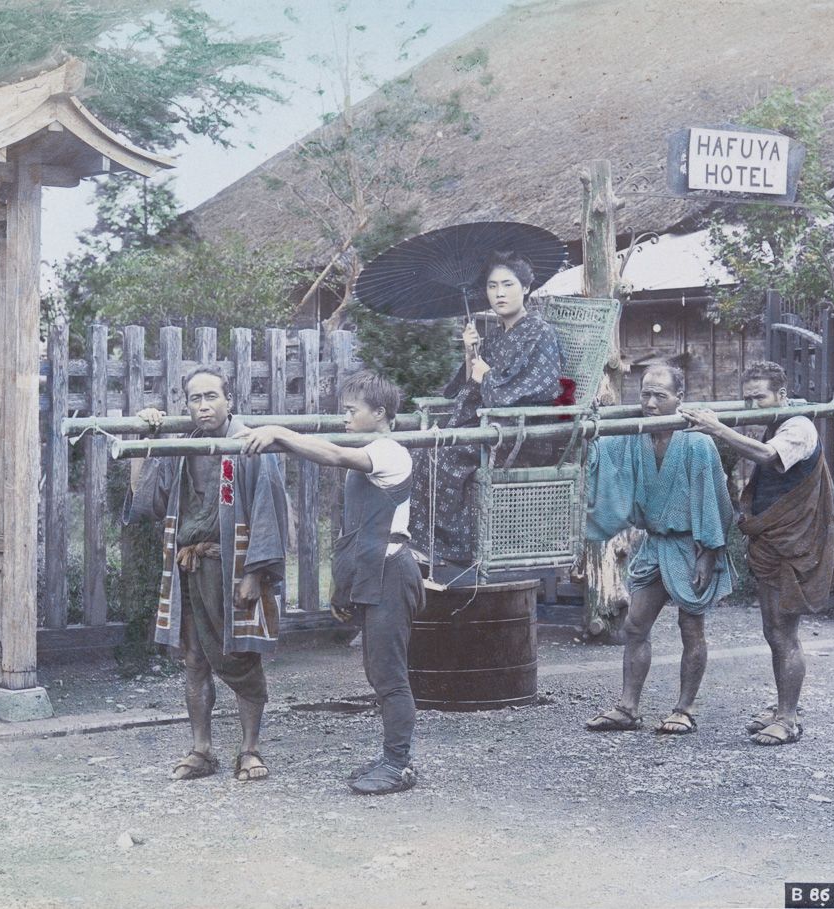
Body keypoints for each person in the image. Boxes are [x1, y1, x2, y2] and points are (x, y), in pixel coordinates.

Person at [238, 371, 424, 795]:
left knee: (390, 676)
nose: (344, 417)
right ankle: (392, 756)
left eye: (351, 410)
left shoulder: (390, 452)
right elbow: (355, 532)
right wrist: (343, 587)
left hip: (393, 574)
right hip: (372, 574)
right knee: (378, 671)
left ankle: (398, 763)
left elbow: (334, 456)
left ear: (379, 414)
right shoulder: (368, 451)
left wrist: (279, 433)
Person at [679, 360, 834, 746]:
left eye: (759, 397)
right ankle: (781, 707)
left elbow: (765, 456)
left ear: (781, 394)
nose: (753, 404)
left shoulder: (798, 425)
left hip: (794, 544)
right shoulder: (775, 420)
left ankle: (789, 718)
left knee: (784, 633)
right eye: (748, 398)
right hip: (772, 542)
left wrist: (716, 428)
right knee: (773, 630)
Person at [124, 366, 290, 781]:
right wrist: (148, 438)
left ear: (229, 399)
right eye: (195, 399)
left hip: (235, 569)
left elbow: (270, 510)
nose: (204, 406)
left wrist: (256, 572)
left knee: (242, 656)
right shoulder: (183, 448)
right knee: (195, 660)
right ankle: (202, 749)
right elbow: (147, 500)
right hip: (189, 569)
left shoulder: (250, 444)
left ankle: (249, 749)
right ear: (187, 405)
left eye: (211, 396)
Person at [584, 365, 734, 734]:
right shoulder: (633, 434)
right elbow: (599, 453)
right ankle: (628, 707)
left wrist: (709, 552)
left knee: (690, 626)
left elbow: (716, 500)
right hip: (654, 544)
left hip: (691, 544)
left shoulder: (697, 442)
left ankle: (684, 709)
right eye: (645, 394)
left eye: (660, 396)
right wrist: (589, 421)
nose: (650, 403)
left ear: (679, 399)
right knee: (635, 626)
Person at [408, 250, 565, 583]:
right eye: (493, 286)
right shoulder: (495, 335)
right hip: (487, 424)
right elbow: (469, 387)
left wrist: (487, 377)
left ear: (525, 287)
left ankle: (455, 552)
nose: (500, 293)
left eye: (508, 284)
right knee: (422, 451)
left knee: (444, 456)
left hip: (521, 433)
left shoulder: (540, 333)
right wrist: (470, 354)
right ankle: (430, 548)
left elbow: (542, 388)